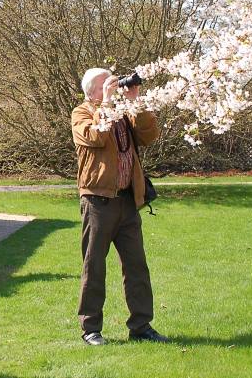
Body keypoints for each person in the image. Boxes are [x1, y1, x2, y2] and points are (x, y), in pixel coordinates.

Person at [70, 67, 168, 346]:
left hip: (127, 200)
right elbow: (96, 136)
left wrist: (135, 100)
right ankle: (91, 328)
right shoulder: (82, 113)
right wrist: (106, 103)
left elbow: (150, 135)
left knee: (137, 266)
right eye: (107, 83)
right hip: (98, 201)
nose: (114, 85)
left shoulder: (124, 112)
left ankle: (141, 326)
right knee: (94, 266)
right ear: (93, 90)